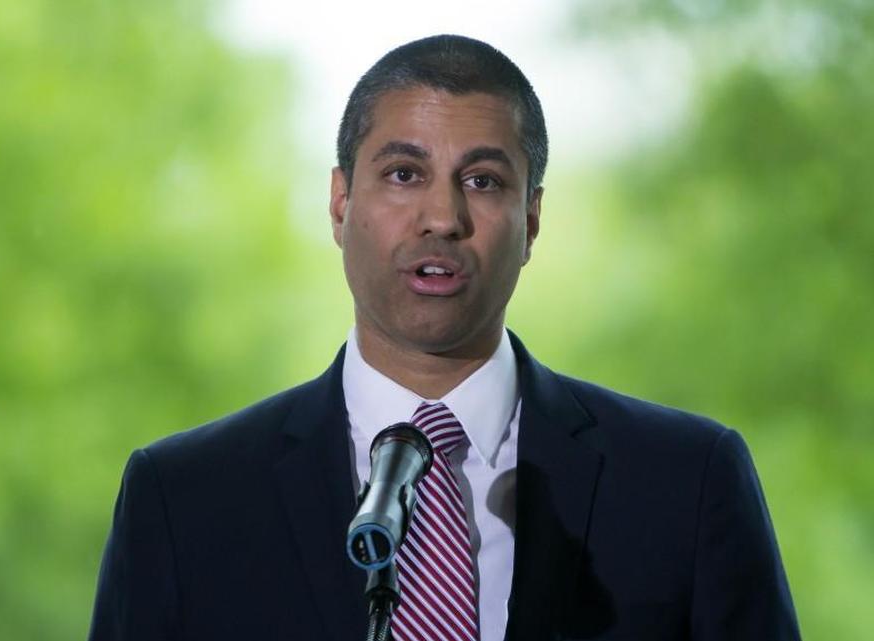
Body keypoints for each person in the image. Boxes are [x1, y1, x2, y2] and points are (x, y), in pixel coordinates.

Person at [87, 35, 800, 641]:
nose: (442, 216)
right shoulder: (184, 499)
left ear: (533, 218)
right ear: (340, 203)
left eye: (484, 181)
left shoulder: (688, 480)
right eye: (404, 174)